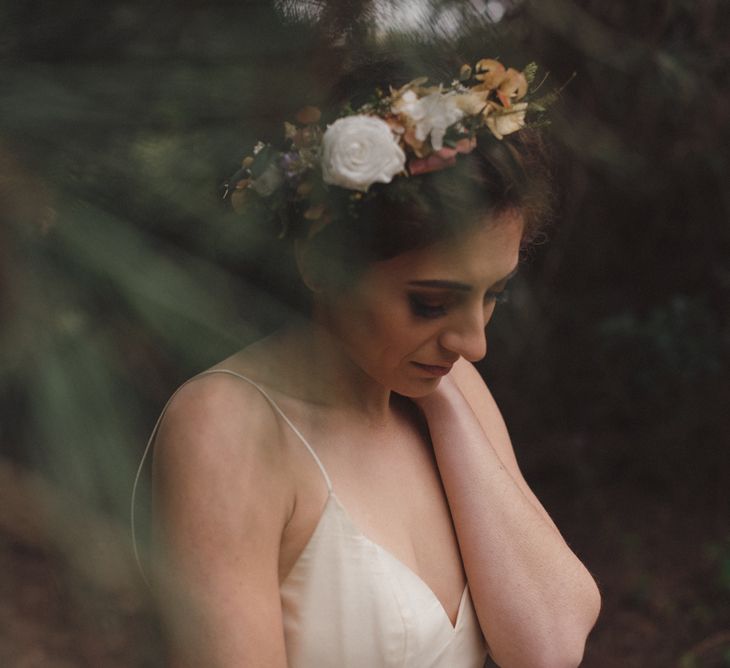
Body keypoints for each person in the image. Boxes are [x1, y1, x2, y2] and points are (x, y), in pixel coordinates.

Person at [132, 53, 601, 667]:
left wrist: (447, 407)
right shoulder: (227, 429)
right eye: (432, 302)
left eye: (495, 295)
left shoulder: (452, 391)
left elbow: (550, 645)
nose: (475, 343)